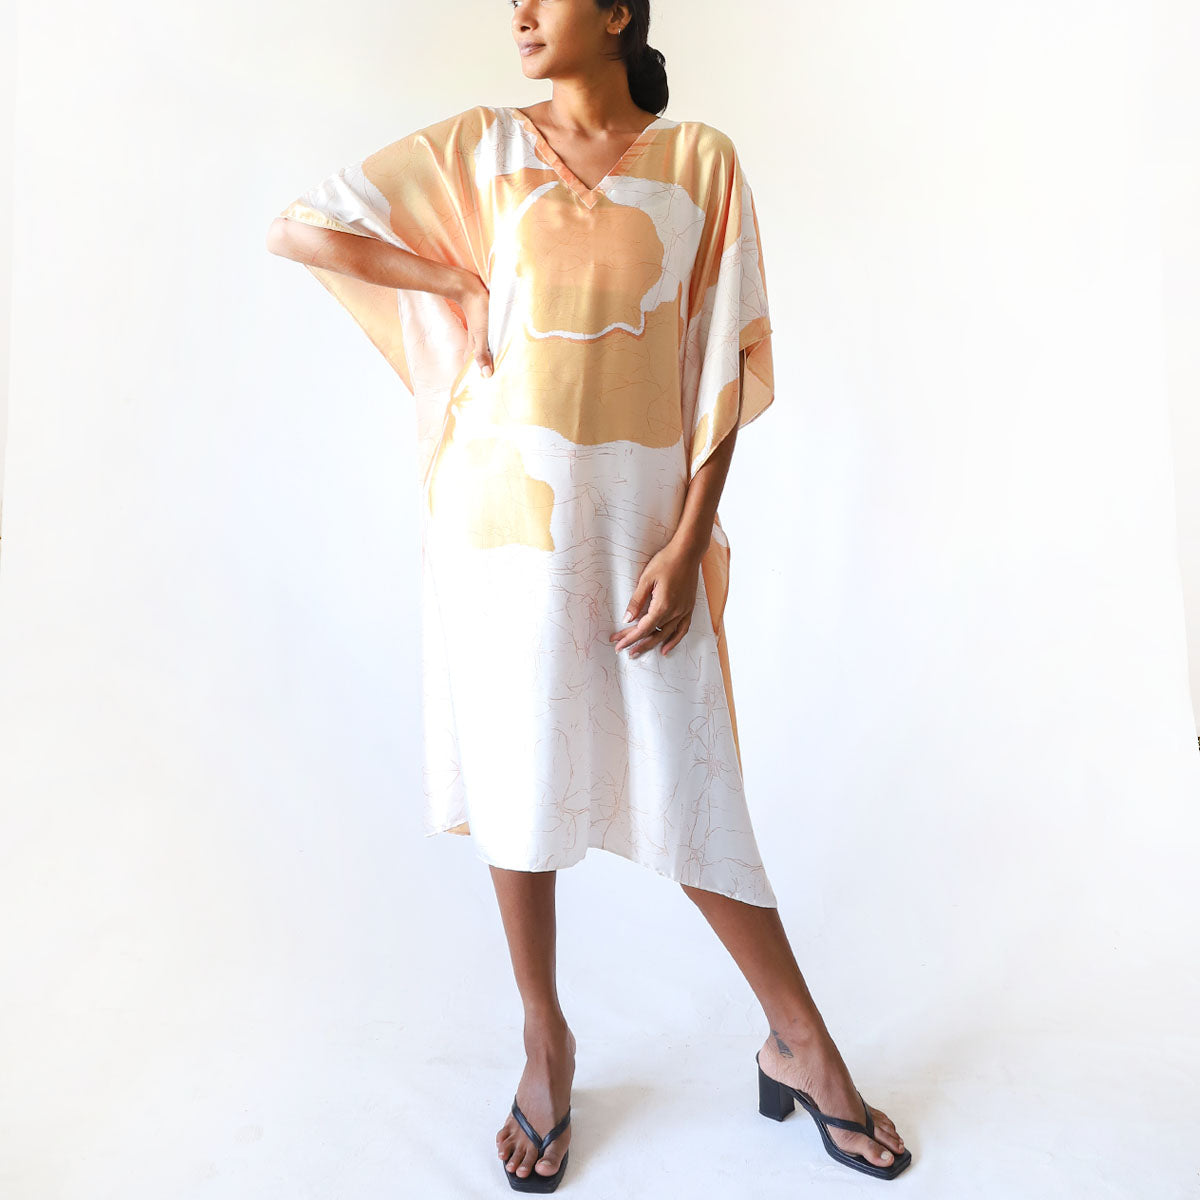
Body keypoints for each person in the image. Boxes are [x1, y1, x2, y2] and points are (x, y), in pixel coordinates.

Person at [266, 0, 911, 1190]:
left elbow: (722, 360)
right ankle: (546, 1042)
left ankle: (799, 1043)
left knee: (694, 782)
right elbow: (302, 228)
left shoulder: (701, 160)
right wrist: (453, 282)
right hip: (499, 523)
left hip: (642, 526)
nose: (519, 11)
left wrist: (689, 537)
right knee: (520, 776)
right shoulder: (481, 148)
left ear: (616, 11)